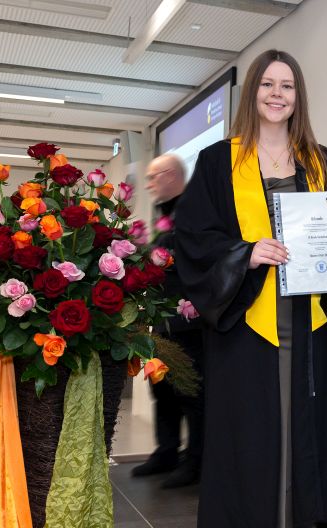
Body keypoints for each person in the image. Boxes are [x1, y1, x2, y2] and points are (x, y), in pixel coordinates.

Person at [174, 50, 327, 528]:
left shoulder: (322, 161)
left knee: (308, 429)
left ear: (299, 96)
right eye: (268, 84)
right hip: (246, 323)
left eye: (287, 86)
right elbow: (193, 237)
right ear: (252, 91)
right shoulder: (219, 161)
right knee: (249, 435)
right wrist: (245, 253)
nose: (277, 94)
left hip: (311, 321)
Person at [131, 154, 204, 488]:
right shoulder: (164, 216)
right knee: (162, 390)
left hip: (189, 323)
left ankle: (196, 462)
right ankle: (166, 452)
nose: (148, 184)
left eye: (153, 177)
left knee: (191, 394)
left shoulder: (194, 211)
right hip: (163, 322)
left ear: (171, 175)